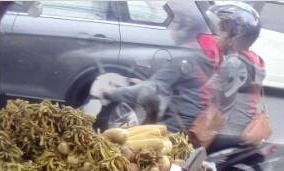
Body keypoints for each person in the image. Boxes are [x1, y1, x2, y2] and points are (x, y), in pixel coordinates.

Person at [102, 3, 262, 138]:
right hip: (221, 127)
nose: (169, 26)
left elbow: (152, 91)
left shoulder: (194, 56)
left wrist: (113, 93)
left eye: (174, 21)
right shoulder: (248, 60)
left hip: (183, 130)